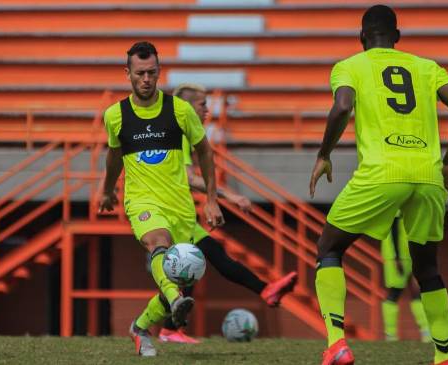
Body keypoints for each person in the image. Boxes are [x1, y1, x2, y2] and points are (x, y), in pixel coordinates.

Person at [308, 5, 448, 365]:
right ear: (397, 37)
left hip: (382, 172)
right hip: (428, 176)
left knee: (329, 247)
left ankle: (337, 343)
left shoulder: (350, 65)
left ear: (362, 37)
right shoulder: (426, 67)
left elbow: (341, 108)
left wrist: (324, 153)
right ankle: (443, 357)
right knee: (427, 268)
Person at [98, 41, 224, 357]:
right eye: (139, 73)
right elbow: (114, 156)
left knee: (179, 273)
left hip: (180, 207)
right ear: (127, 73)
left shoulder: (179, 110)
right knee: (159, 244)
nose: (146, 79)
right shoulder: (115, 115)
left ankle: (140, 328)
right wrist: (108, 190)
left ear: (159, 72)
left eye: (151, 73)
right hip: (142, 202)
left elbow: (205, 151)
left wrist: (211, 199)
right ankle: (175, 298)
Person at [157, 83, 298, 344]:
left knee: (208, 258)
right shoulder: (178, 133)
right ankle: (164, 329)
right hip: (168, 214)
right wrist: (230, 195)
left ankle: (266, 290)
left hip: (178, 214)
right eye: (202, 104)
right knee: (193, 265)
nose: (207, 110)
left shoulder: (180, 131)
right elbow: (190, 178)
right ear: (188, 107)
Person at [381, 214, 431, 343]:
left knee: (417, 292)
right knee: (394, 293)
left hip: (410, 254)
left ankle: (426, 332)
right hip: (396, 257)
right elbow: (394, 228)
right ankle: (390, 334)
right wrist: (397, 256)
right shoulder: (397, 202)